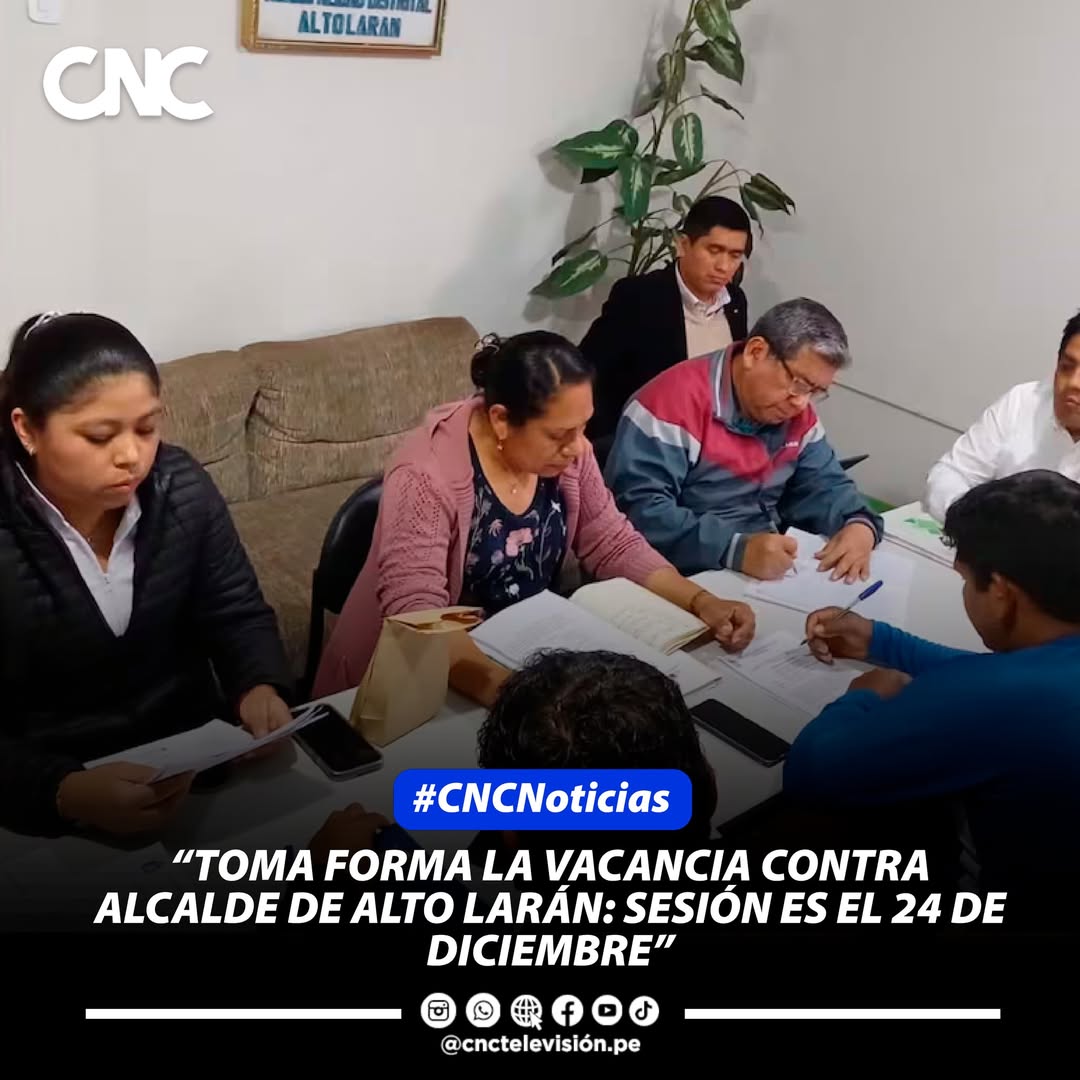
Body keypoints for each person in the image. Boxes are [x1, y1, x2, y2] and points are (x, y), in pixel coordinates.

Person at [313, 331, 756, 704]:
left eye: (584, 428)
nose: (578, 447)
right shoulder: (426, 475)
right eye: (560, 434)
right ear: (501, 420)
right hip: (408, 682)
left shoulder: (569, 454)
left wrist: (700, 601)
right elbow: (420, 616)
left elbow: (611, 539)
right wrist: (514, 699)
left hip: (519, 651)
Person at [0, 312, 294, 839]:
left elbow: (235, 612)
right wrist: (64, 792)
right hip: (45, 803)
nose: (131, 456)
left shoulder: (181, 487)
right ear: (27, 429)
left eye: (147, 428)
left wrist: (258, 686)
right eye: (99, 436)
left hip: (191, 773)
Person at [786, 470, 1080, 904]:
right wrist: (881, 642)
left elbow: (812, 773)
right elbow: (1004, 676)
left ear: (1002, 593)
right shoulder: (1046, 671)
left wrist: (865, 695)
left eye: (966, 581)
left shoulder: (999, 700)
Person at [603, 298, 884, 582]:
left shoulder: (795, 412)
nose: (802, 403)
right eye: (799, 384)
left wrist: (858, 523)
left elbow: (824, 483)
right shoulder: (668, 405)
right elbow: (641, 513)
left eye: (816, 391)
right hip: (682, 574)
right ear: (755, 352)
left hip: (766, 566)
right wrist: (734, 548)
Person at [580, 196, 752, 444]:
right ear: (683, 245)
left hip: (714, 443)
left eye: (735, 255)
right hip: (647, 442)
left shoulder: (735, 301)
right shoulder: (639, 297)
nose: (724, 266)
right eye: (714, 251)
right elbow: (589, 372)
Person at [923, 311, 1080, 523]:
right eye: (1067, 367)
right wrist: (972, 524)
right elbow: (952, 473)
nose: (1073, 383)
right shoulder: (1023, 401)